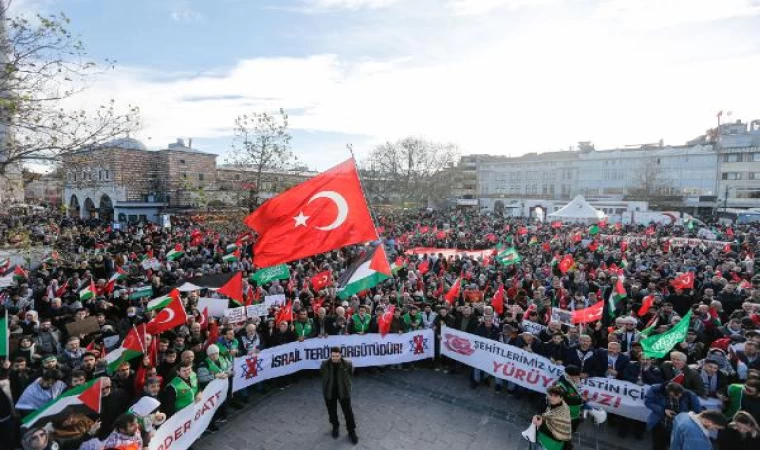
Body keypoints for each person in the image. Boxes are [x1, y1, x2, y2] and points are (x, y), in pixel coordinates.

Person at [644, 382, 701, 450]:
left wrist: (684, 416)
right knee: (658, 447)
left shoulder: (690, 395)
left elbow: (697, 412)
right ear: (669, 391)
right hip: (660, 425)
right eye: (675, 396)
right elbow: (648, 402)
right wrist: (663, 410)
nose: (677, 398)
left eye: (680, 396)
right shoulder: (655, 389)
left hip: (678, 429)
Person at [320, 346, 357, 445]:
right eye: (333, 356)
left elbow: (351, 373)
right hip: (329, 391)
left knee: (348, 412)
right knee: (332, 411)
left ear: (340, 355)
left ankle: (351, 431)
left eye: (337, 356)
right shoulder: (324, 364)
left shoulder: (347, 364)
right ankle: (335, 426)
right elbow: (322, 374)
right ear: (330, 355)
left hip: (343, 391)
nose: (335, 358)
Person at [532, 385, 573, 450]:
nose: (552, 398)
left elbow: (560, 437)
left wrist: (541, 424)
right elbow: (547, 416)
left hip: (550, 446)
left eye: (556, 396)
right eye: (551, 395)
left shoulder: (563, 414)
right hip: (542, 440)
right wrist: (539, 417)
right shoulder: (552, 404)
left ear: (561, 398)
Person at [553, 365, 585, 432]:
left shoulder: (573, 382)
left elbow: (577, 394)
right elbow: (561, 400)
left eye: (578, 376)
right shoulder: (561, 386)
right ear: (569, 376)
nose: (578, 378)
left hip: (574, 414)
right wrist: (580, 401)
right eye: (576, 376)